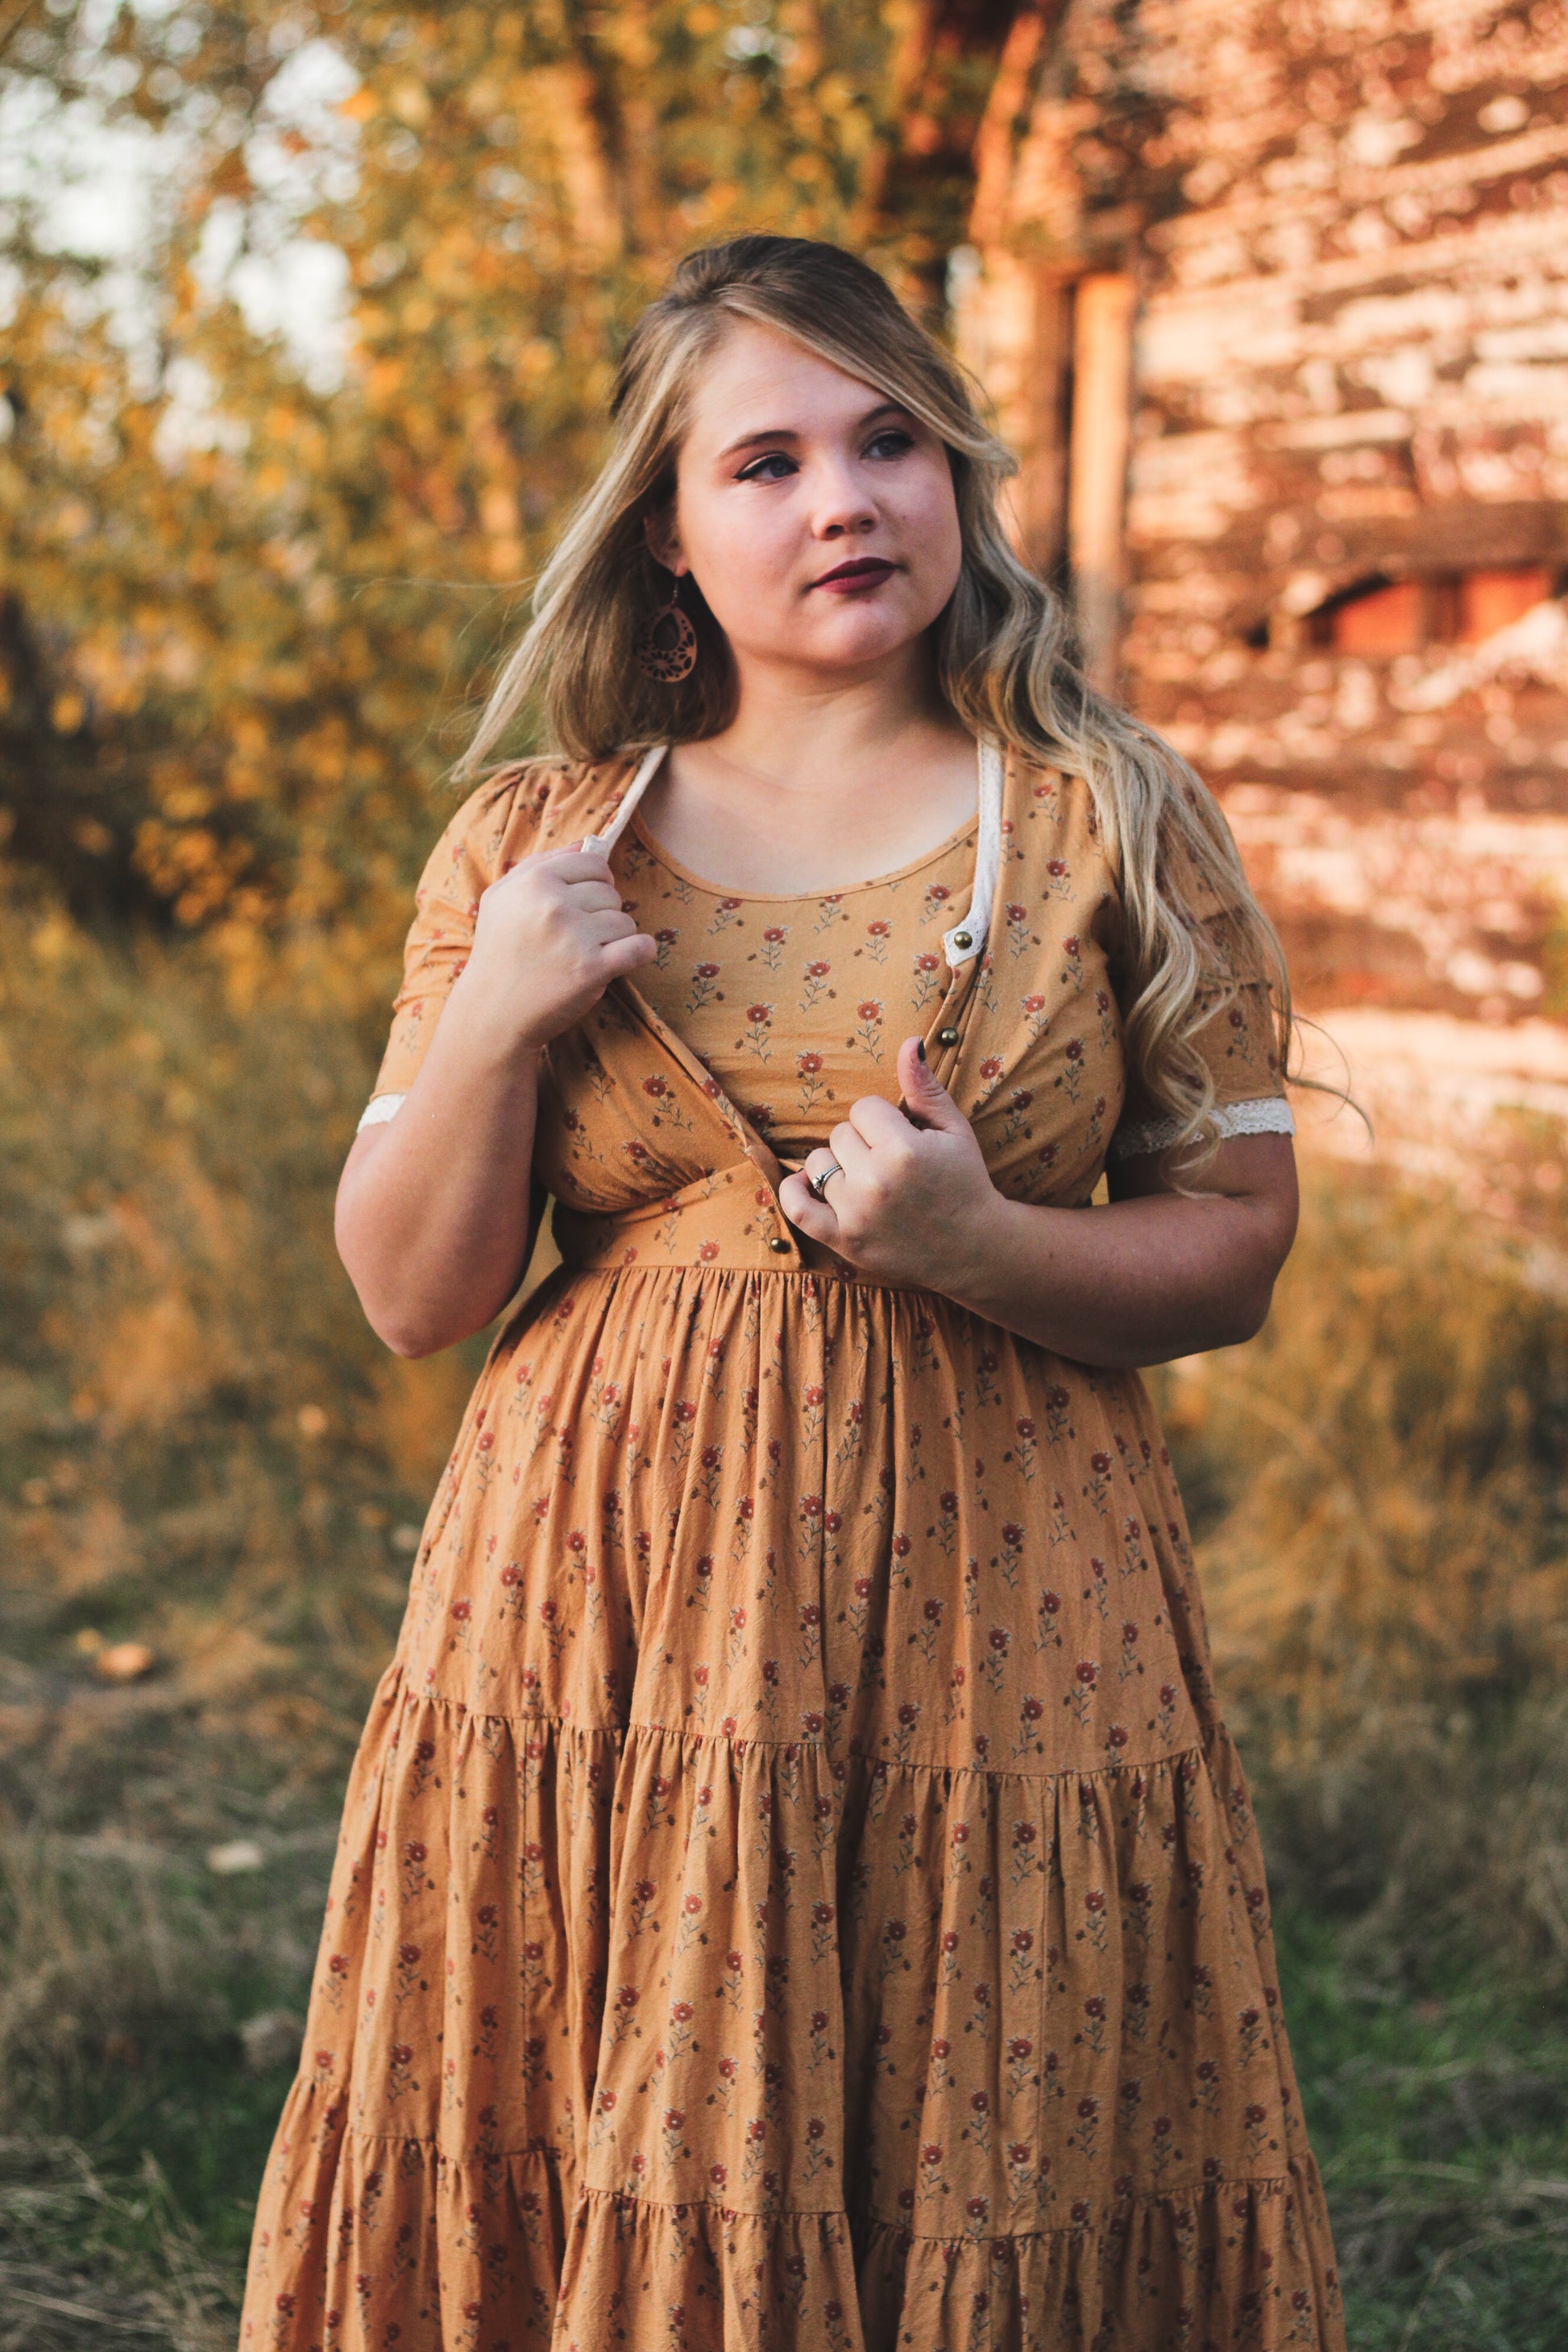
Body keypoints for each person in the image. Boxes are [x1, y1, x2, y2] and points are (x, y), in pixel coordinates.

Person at [240, 234, 1344, 2351]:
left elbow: (1236, 1243)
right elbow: (409, 1296)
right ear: (666, 531)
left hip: (1004, 1621)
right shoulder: (537, 843)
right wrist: (493, 1021)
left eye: (887, 441)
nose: (844, 499)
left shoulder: (1109, 822)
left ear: (954, 479)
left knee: (983, 2115)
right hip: (601, 1618)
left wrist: (979, 1245)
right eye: (764, 463)